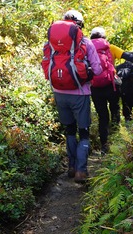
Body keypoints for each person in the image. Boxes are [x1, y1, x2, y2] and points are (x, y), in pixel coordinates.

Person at [43, 10, 102, 183]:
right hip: (80, 93)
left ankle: (71, 166)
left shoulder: (50, 44)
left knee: (69, 130)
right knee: (83, 132)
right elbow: (97, 70)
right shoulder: (85, 43)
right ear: (80, 25)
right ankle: (81, 171)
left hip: (59, 93)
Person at [89, 27, 133, 153]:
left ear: (91, 37)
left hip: (95, 88)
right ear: (104, 37)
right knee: (115, 111)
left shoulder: (86, 48)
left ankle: (104, 146)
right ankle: (116, 140)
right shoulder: (110, 47)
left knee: (102, 116)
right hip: (111, 85)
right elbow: (131, 58)